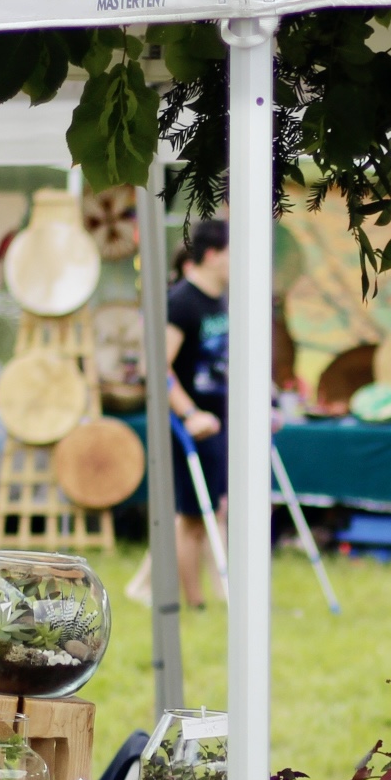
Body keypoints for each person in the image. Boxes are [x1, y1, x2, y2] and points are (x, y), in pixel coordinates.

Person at [164, 220, 230, 608]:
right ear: (211, 255)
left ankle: (215, 595)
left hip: (220, 421)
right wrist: (190, 414)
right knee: (191, 519)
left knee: (216, 509)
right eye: (231, 252)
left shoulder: (220, 299)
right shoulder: (182, 301)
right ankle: (194, 603)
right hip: (196, 427)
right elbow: (158, 366)